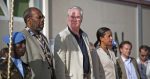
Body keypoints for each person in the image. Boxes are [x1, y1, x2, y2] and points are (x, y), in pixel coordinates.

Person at [54, 6, 95, 79]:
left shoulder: (85, 35)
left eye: (77, 17)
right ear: (68, 18)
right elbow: (59, 67)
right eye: (72, 17)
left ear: (81, 19)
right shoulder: (62, 37)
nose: (74, 20)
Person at [21, 7, 54, 79]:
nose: (42, 20)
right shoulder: (22, 37)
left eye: (43, 17)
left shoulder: (43, 37)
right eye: (39, 17)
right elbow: (22, 66)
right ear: (29, 20)